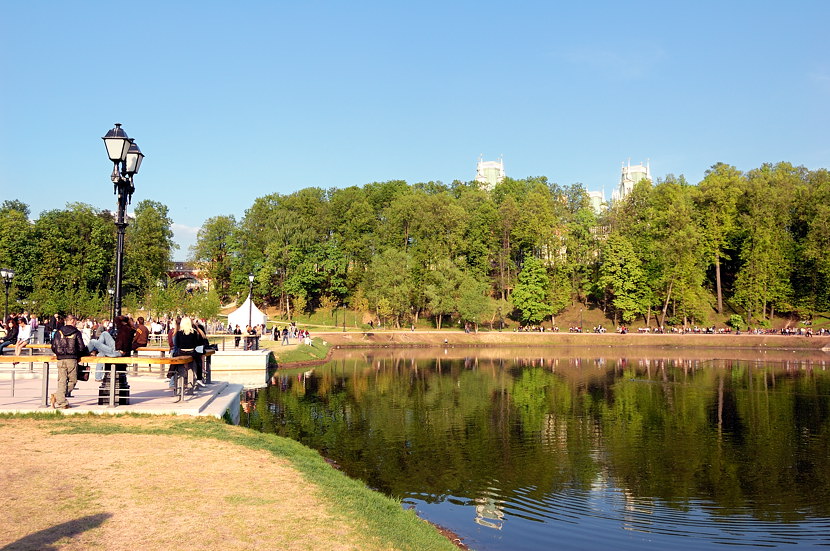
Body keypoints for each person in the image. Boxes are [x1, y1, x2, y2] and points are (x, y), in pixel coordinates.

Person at [50, 314, 89, 409]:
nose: (76, 323)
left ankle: (58, 397)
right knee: (73, 380)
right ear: (72, 321)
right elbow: (81, 347)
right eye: (75, 321)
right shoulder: (76, 332)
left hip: (60, 359)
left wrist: (59, 353)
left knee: (62, 381)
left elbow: (53, 346)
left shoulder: (58, 332)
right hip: (72, 359)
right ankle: (60, 400)